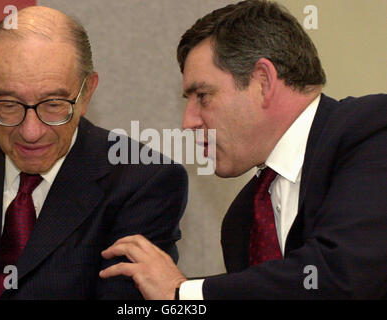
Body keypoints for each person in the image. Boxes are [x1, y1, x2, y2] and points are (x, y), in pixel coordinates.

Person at [99, 0, 387, 299]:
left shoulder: (372, 131)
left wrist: (183, 294)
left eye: (203, 95)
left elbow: (344, 275)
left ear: (263, 81)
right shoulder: (242, 221)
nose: (189, 122)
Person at [0, 6, 187, 300]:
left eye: (53, 104)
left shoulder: (142, 182)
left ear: (87, 93)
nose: (31, 132)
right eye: (9, 104)